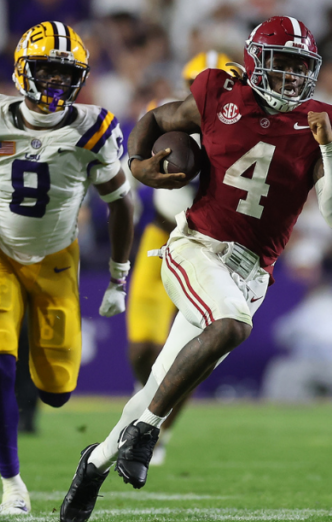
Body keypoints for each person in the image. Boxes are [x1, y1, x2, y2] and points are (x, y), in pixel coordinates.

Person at [59, 16, 332, 522]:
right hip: (195, 246)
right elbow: (157, 118)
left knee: (158, 385)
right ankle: (149, 433)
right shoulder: (223, 93)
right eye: (280, 64)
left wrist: (327, 147)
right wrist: (136, 164)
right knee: (232, 325)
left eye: (297, 67)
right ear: (258, 63)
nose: (288, 77)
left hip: (250, 275)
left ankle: (94, 464)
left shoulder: (324, 123)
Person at [0, 22, 133, 516]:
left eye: (64, 74)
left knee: (57, 392)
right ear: (21, 70)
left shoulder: (92, 127)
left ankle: (38, 401)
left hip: (57, 262)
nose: (55, 84)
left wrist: (120, 276)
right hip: (0, 254)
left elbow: (121, 205)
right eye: (46, 72)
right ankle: (12, 485)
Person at [125, 50, 234, 466]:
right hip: (162, 235)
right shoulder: (168, 121)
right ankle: (146, 401)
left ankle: (159, 430)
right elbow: (143, 181)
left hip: (210, 245)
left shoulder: (244, 133)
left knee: (192, 349)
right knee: (140, 348)